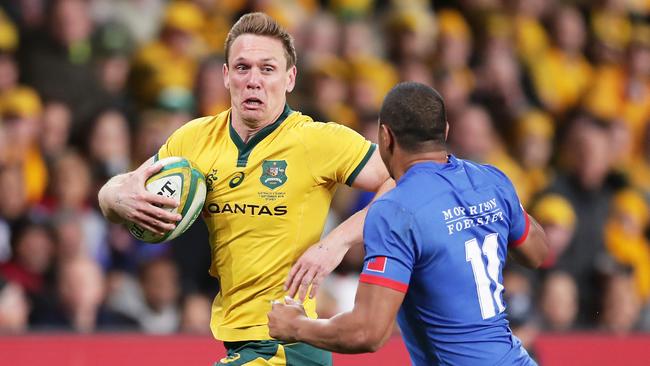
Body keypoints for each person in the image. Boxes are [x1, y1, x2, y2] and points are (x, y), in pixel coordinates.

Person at [98, 12, 391, 365]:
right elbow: (120, 188)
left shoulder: (317, 140)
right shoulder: (194, 141)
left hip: (288, 345)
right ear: (225, 76)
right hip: (238, 342)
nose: (253, 80)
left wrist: (337, 243)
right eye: (242, 68)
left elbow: (402, 179)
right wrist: (117, 197)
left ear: (290, 78)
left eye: (267, 69)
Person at [268, 82, 548, 365]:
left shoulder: (393, 210)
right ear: (446, 131)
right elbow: (537, 253)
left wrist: (297, 326)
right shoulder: (492, 181)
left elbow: (368, 332)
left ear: (385, 137)